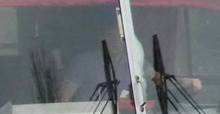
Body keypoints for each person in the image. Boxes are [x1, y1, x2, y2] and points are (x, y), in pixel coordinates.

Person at [58, 19, 200, 103]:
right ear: (103, 37)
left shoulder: (134, 61)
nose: (116, 41)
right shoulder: (84, 62)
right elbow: (63, 101)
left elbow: (158, 79)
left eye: (121, 37)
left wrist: (186, 82)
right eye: (111, 35)